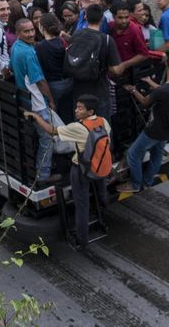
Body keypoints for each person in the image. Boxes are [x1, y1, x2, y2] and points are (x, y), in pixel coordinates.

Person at [25, 94, 111, 250]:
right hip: (100, 166)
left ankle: (82, 239)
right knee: (101, 190)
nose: (76, 110)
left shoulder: (79, 127)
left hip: (81, 170)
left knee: (81, 204)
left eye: (80, 108)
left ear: (90, 111)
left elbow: (51, 131)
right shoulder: (103, 122)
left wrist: (36, 117)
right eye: (76, 107)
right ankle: (104, 209)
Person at [117, 52, 169, 193]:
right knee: (157, 155)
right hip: (168, 129)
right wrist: (150, 82)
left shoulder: (162, 91)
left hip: (154, 130)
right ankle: (148, 181)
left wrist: (133, 90)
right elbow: (164, 91)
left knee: (133, 154)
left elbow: (144, 102)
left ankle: (135, 184)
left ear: (166, 64)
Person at [11, 18, 58, 186]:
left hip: (25, 101)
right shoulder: (28, 53)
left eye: (32, 30)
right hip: (37, 103)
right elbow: (40, 81)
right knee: (47, 138)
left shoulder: (16, 47)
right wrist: (50, 100)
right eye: (26, 31)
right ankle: (43, 175)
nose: (31, 34)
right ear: (18, 33)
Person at [68, 4, 124, 119]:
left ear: (85, 18)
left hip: (78, 91)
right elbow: (117, 70)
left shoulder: (75, 35)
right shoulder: (107, 40)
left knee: (81, 128)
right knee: (101, 128)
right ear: (102, 19)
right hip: (99, 92)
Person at [36, 13, 72, 123]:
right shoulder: (62, 41)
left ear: (42, 27)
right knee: (68, 115)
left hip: (53, 85)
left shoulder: (40, 46)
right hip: (68, 82)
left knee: (55, 118)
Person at [110, 1, 151, 71]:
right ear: (113, 17)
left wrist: (124, 65)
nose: (124, 21)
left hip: (129, 72)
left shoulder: (134, 30)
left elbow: (144, 54)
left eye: (126, 17)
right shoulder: (109, 27)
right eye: (120, 18)